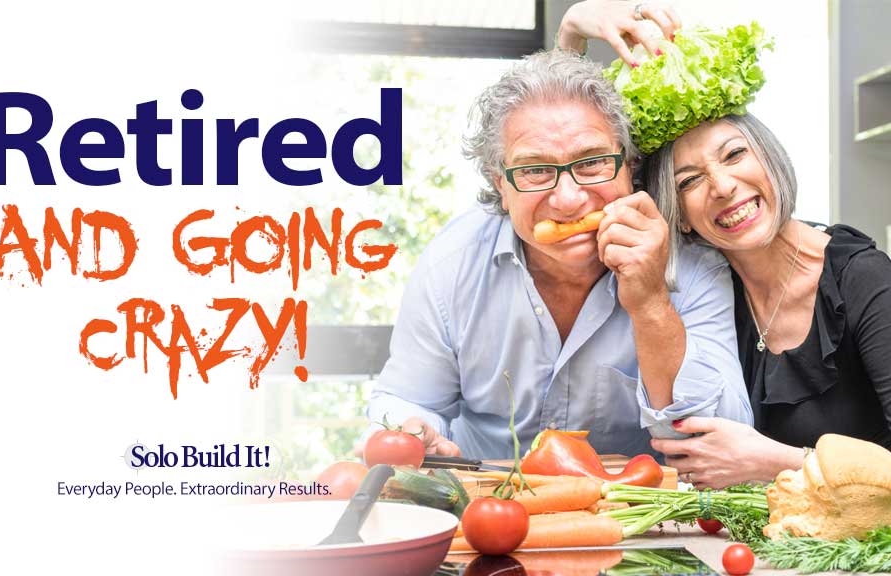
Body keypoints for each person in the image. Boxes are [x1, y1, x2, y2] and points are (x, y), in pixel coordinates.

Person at [558, 1, 891, 488]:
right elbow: (573, 166)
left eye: (734, 154)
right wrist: (571, 31)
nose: (723, 185)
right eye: (690, 180)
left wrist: (782, 462)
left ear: (770, 157)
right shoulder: (702, 286)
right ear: (681, 217)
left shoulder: (862, 278)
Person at [366, 47, 752, 461]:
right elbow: (409, 400)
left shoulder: (692, 264)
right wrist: (414, 430)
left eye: (592, 163)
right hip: (486, 505)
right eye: (534, 171)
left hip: (635, 517)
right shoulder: (452, 262)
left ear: (629, 165)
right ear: (501, 184)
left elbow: (725, 441)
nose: (568, 200)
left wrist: (652, 304)